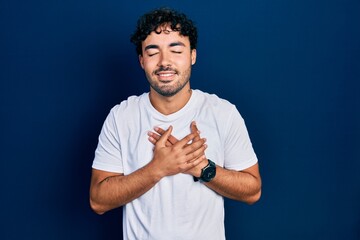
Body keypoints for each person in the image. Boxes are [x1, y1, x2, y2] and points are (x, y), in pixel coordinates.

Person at [90, 7, 261, 239]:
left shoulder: (223, 113)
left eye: (176, 50)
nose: (164, 62)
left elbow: (252, 191)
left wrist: (200, 167)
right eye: (152, 52)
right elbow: (98, 200)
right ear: (142, 60)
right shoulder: (121, 117)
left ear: (192, 55)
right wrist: (158, 168)